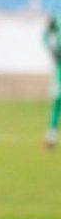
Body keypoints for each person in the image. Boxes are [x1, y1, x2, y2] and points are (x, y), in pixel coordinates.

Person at [45, 16, 61, 151]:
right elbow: (45, 35)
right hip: (60, 68)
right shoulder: (57, 18)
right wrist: (51, 50)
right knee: (57, 100)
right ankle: (51, 137)